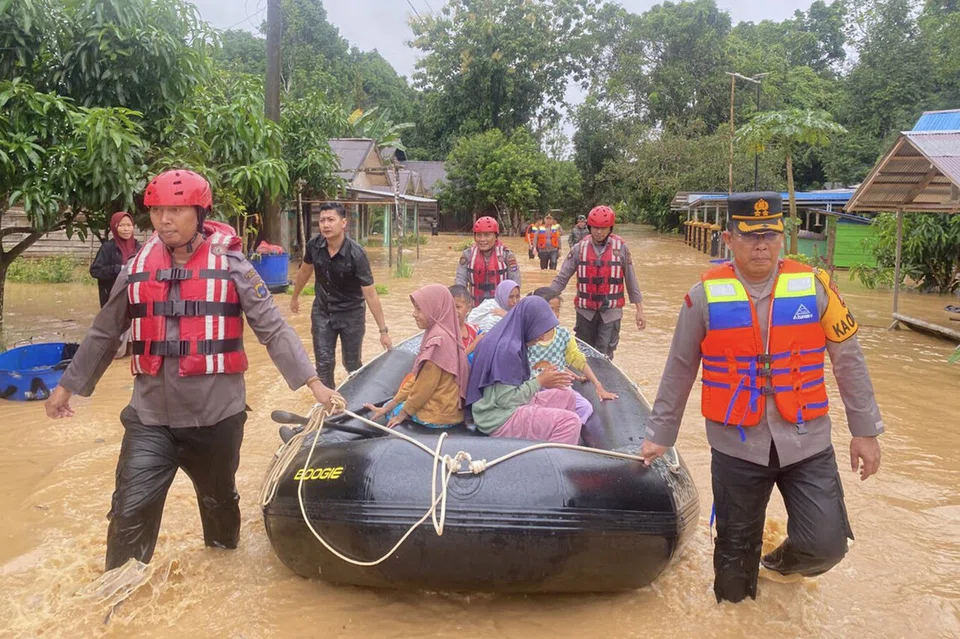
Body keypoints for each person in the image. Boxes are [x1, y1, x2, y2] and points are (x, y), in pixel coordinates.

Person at [44, 169, 342, 572]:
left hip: (215, 419)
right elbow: (102, 332)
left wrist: (314, 383)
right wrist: (67, 386)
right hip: (150, 420)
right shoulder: (136, 268)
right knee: (128, 514)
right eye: (157, 210)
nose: (164, 219)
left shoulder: (233, 265)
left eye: (176, 209)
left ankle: (220, 579)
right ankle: (116, 610)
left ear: (199, 213)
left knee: (219, 511)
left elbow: (272, 328)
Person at [640, 191, 884, 604]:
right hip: (736, 445)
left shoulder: (814, 287)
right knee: (733, 571)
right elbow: (680, 368)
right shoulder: (702, 297)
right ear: (729, 239)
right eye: (750, 236)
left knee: (827, 543)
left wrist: (865, 431)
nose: (761, 245)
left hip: (807, 440)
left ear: (782, 238)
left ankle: (776, 565)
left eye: (770, 235)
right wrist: (660, 434)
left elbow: (849, 360)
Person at [291, 202, 392, 389]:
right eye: (322, 220)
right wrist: (295, 297)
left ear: (343, 223)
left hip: (351, 314)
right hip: (323, 312)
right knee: (324, 365)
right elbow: (305, 271)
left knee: (352, 364)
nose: (325, 225)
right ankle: (329, 406)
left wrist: (383, 331)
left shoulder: (356, 253)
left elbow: (370, 294)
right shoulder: (314, 245)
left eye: (331, 220)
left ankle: (357, 399)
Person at [467, 296, 581, 444]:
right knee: (570, 422)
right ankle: (552, 461)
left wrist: (543, 380)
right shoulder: (507, 350)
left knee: (567, 395)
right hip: (498, 418)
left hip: (498, 405)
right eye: (538, 329)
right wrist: (540, 381)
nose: (541, 337)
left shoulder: (507, 337)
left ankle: (556, 441)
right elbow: (505, 400)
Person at [364, 285, 469, 429]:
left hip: (439, 415)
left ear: (434, 309)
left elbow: (424, 387)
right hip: (448, 410)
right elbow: (417, 378)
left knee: (392, 415)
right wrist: (390, 404)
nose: (414, 314)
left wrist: (402, 414)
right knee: (391, 408)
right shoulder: (446, 332)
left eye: (419, 309)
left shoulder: (438, 343)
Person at [549, 205, 646, 360]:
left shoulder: (621, 248)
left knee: (604, 354)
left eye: (603, 228)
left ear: (610, 228)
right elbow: (562, 278)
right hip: (585, 312)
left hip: (611, 313)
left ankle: (602, 382)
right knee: (583, 353)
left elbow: (631, 280)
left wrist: (639, 310)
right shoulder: (579, 248)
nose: (599, 232)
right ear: (589, 227)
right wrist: (544, 298)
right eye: (595, 228)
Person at [528, 286, 618, 424]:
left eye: (557, 309)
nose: (555, 314)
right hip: (535, 386)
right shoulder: (529, 336)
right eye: (551, 309)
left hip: (559, 386)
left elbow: (578, 359)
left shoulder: (563, 335)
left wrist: (598, 384)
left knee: (585, 408)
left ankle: (567, 432)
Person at [454, 216, 520, 305]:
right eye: (479, 235)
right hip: (475, 307)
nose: (482, 239)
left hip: (500, 308)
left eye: (487, 235)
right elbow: (460, 283)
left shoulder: (507, 255)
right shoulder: (468, 255)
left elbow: (515, 284)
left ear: (496, 236)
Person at [90, 211, 141, 308]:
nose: (126, 229)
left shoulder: (139, 248)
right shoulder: (108, 248)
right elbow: (95, 271)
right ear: (114, 227)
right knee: (113, 322)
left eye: (129, 225)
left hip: (134, 297)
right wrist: (119, 269)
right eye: (121, 225)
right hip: (112, 297)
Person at [448, 285, 482, 356]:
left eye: (458, 307)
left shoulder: (475, 330)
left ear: (468, 308)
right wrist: (474, 345)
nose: (453, 311)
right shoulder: (444, 334)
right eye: (450, 307)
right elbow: (451, 362)